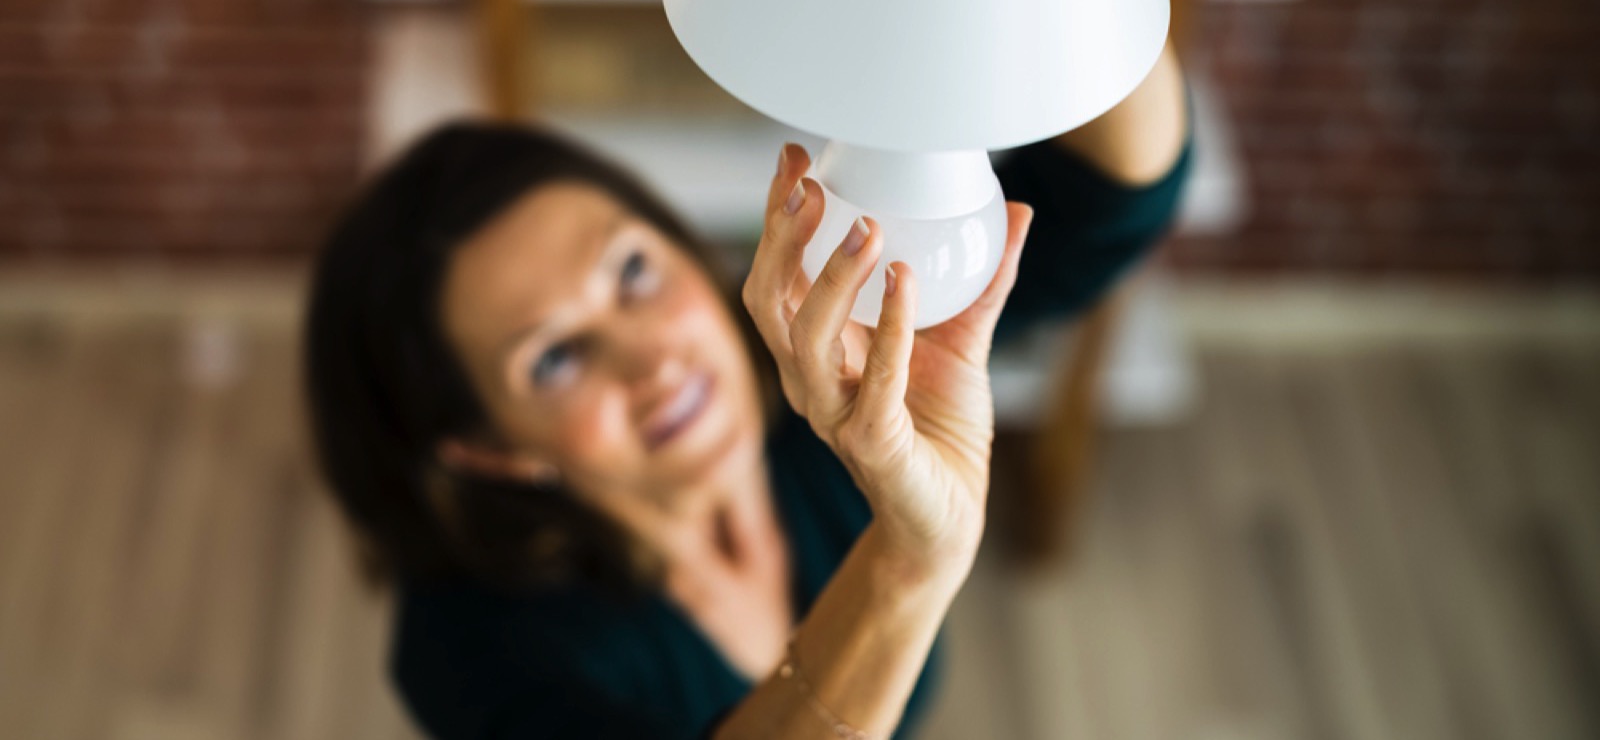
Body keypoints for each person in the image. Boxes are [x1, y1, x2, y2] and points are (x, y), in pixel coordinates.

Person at [303, 45, 1191, 739]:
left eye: (634, 270)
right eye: (554, 358)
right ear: (492, 448)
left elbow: (1110, 197)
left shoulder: (818, 361)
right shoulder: (473, 651)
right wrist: (910, 565)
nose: (653, 358)